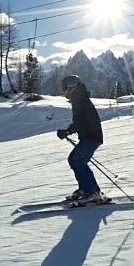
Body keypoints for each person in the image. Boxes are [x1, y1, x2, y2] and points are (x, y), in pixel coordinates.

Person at [56, 75, 106, 203]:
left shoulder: (81, 100)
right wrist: (69, 130)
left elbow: (83, 121)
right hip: (89, 136)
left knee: (78, 161)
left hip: (92, 137)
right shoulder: (79, 99)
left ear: (72, 87)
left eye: (65, 88)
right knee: (74, 160)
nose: (64, 91)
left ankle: (92, 192)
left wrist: (68, 131)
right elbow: (80, 121)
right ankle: (86, 189)